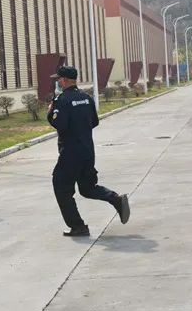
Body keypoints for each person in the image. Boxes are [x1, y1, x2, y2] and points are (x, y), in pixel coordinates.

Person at [46, 66, 130, 237]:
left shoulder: (62, 100)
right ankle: (115, 199)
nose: (58, 82)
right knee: (87, 188)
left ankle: (78, 226)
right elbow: (94, 122)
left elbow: (60, 124)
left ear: (64, 80)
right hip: (87, 151)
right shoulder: (86, 98)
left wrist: (50, 112)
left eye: (59, 79)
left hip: (70, 153)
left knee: (61, 187)